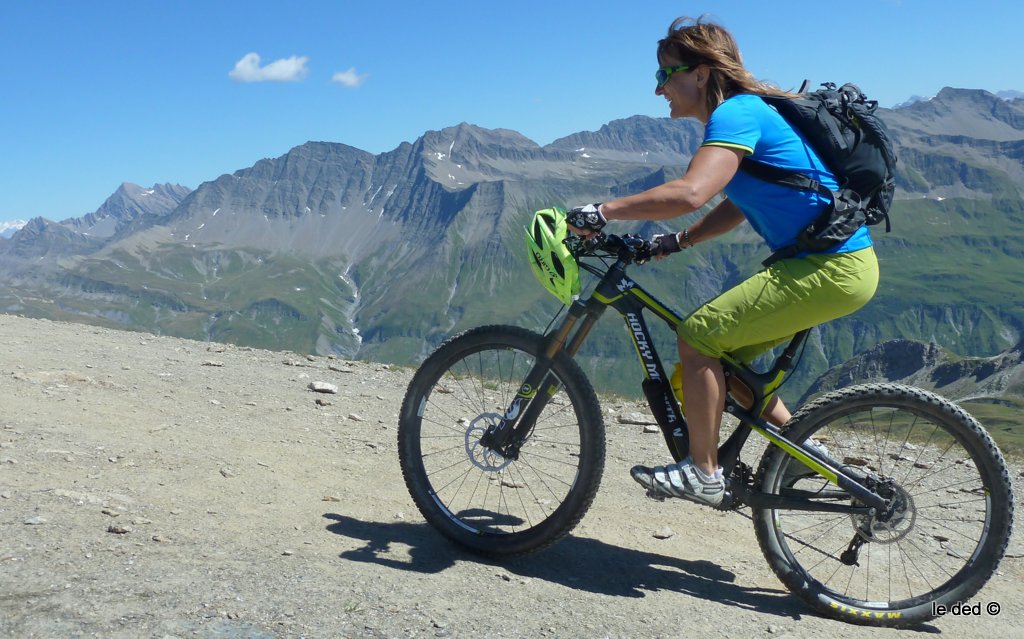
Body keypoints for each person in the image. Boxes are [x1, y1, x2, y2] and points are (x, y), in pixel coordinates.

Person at [566, 16, 879, 507]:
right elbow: (738, 203)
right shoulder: (742, 117)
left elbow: (692, 192)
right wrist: (675, 242)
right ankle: (803, 449)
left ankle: (704, 472)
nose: (659, 90)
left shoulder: (736, 114)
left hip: (830, 268)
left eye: (664, 75)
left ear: (701, 74)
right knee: (727, 363)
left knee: (697, 336)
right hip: (831, 268)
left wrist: (601, 211)